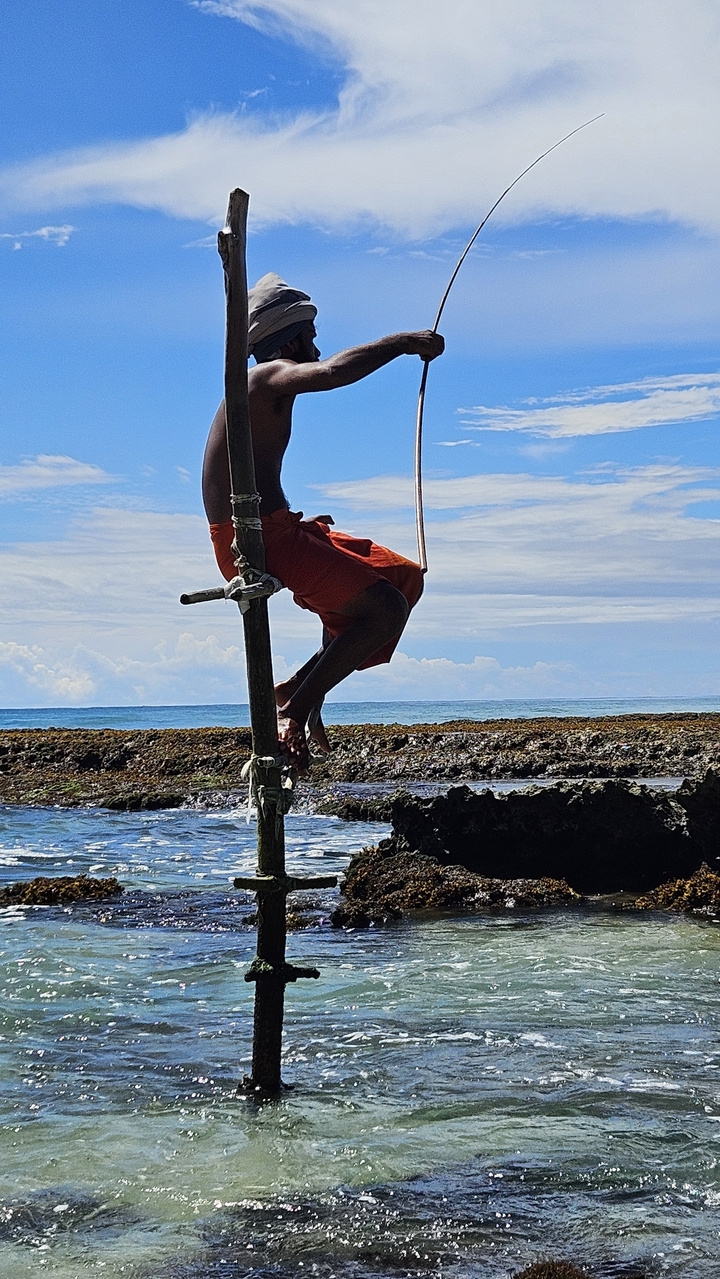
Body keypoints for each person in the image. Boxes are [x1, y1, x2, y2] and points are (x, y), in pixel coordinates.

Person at [202, 272, 444, 771]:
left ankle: (297, 687)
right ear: (289, 340)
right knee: (384, 611)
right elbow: (334, 373)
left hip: (273, 528)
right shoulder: (262, 376)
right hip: (255, 540)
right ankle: (296, 707)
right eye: (309, 338)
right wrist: (401, 342)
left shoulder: (262, 385)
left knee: (402, 577)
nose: (315, 347)